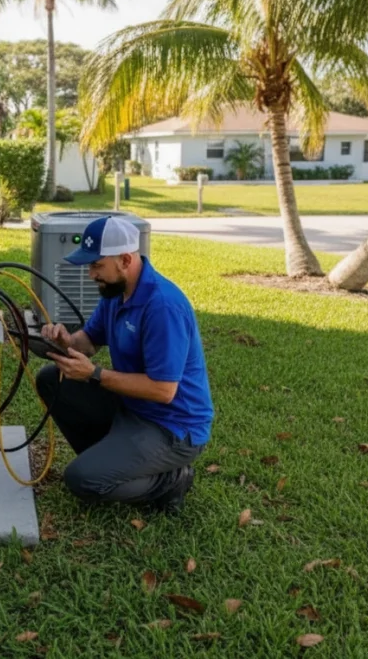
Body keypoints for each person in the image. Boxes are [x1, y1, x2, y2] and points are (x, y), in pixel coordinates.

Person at [36, 215, 214, 514]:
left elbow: (163, 390)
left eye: (96, 265)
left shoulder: (162, 306)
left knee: (82, 480)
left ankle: (172, 479)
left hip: (173, 427)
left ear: (125, 259)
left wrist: (94, 374)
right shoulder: (115, 293)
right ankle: (112, 459)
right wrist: (66, 341)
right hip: (133, 408)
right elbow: (89, 341)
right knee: (51, 379)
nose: (91, 274)